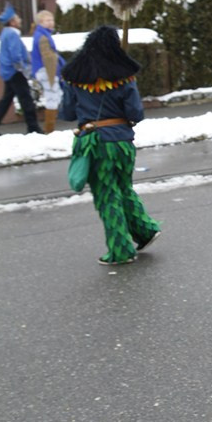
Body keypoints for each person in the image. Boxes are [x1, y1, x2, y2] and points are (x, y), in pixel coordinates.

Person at [61, 25, 161, 266]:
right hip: (123, 142)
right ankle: (145, 230)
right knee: (124, 188)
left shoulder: (75, 79)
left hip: (95, 143)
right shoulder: (125, 77)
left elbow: (67, 112)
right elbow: (136, 112)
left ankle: (121, 250)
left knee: (107, 196)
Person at [0, 3, 43, 135]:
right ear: (12, 22)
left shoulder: (6, 33)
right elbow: (16, 55)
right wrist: (24, 69)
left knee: (6, 100)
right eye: (17, 18)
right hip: (16, 72)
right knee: (26, 99)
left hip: (9, 72)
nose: (20, 20)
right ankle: (33, 127)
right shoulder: (12, 34)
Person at [31, 10, 65, 134]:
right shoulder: (43, 36)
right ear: (40, 22)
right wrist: (54, 74)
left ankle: (50, 128)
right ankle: (49, 129)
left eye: (52, 20)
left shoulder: (41, 34)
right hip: (46, 70)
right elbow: (48, 57)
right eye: (47, 20)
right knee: (52, 97)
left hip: (44, 70)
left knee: (53, 96)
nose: (51, 23)